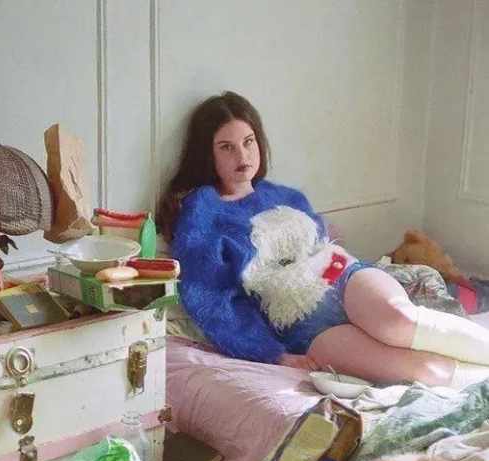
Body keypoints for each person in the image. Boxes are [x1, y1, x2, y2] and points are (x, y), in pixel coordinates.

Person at [158, 91, 489, 388]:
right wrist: (272, 353)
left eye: (249, 142)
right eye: (226, 147)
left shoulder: (283, 195)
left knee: (400, 322)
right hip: (304, 327)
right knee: (428, 370)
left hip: (341, 276)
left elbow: (322, 242)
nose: (242, 156)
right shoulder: (202, 213)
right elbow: (212, 299)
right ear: (208, 154)